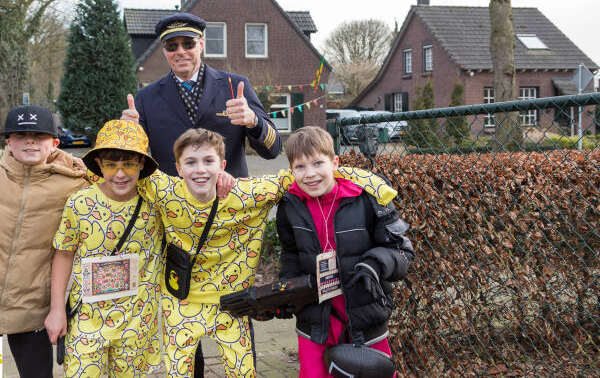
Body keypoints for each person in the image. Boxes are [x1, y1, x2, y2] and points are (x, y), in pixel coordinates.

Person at [139, 128, 294, 378]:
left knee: (242, 373)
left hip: (230, 305)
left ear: (222, 165)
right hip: (181, 303)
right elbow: (118, 168)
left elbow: (296, 176)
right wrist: (133, 132)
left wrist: (378, 187)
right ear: (178, 168)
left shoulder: (246, 194)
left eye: (208, 161)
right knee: (177, 373)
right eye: (191, 162)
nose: (200, 169)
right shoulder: (166, 192)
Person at [0, 105, 88, 378]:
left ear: (54, 143)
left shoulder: (74, 185)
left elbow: (116, 192)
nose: (29, 141)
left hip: (33, 309)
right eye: (21, 134)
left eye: (38, 136)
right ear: (8, 142)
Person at [275, 126, 414, 377]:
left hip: (365, 312)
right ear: (291, 170)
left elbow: (401, 251)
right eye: (300, 167)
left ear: (335, 162)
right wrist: (287, 291)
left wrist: (374, 264)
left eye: (318, 163)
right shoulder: (289, 205)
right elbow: (291, 253)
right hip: (314, 319)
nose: (310, 174)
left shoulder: (369, 197)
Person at [45, 120, 163, 377]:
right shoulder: (80, 203)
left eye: (129, 164)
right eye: (111, 165)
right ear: (99, 164)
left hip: (137, 321)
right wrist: (56, 311)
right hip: (88, 320)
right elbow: (64, 254)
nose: (120, 174)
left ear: (142, 164)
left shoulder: (156, 202)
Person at [122, 12, 281, 177]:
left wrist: (253, 121)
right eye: (172, 46)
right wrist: (125, 134)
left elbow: (273, 149)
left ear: (201, 44)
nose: (180, 51)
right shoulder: (146, 97)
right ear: (164, 50)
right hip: (172, 200)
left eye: (188, 44)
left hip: (227, 199)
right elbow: (130, 161)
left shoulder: (234, 86)